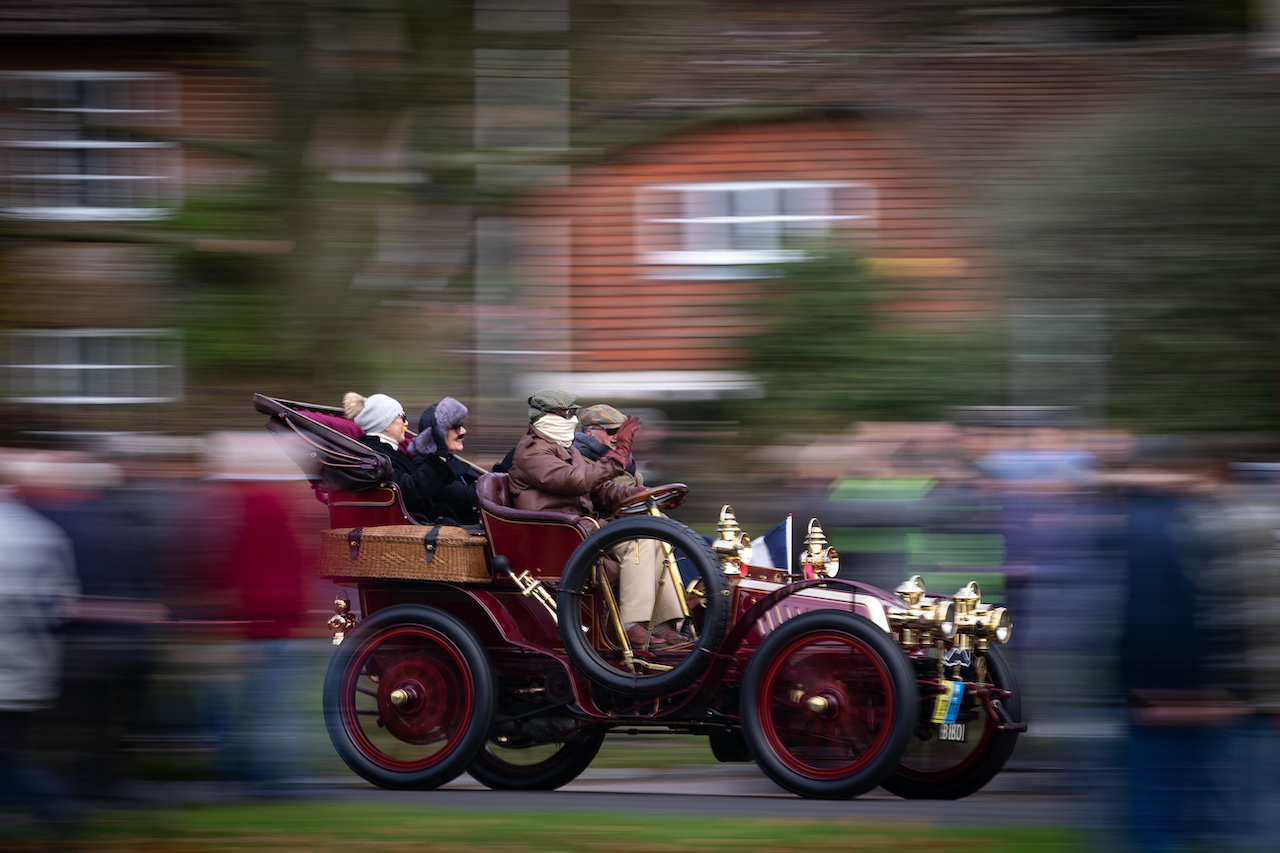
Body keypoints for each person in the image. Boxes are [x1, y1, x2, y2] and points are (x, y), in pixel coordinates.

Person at [507, 390, 685, 649]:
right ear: (547, 417)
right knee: (640, 542)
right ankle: (630, 625)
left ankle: (661, 625)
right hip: (558, 537)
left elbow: (601, 492)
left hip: (582, 531)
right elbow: (575, 481)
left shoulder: (565, 450)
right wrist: (619, 457)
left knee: (656, 535)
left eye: (573, 414)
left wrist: (642, 495)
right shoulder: (531, 452)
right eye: (566, 414)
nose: (572, 419)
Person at [0, 461, 81, 839]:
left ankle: (60, 815)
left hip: (9, 665)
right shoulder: (43, 531)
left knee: (8, 763)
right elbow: (64, 602)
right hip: (27, 667)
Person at [345, 391, 471, 524]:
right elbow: (411, 491)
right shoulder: (375, 456)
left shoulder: (385, 452)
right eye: (402, 417)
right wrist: (439, 458)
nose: (406, 423)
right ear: (387, 424)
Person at [407, 396, 482, 525]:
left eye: (462, 425)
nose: (463, 431)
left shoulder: (450, 460)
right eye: (456, 426)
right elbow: (468, 497)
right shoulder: (425, 467)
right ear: (437, 434)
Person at [573, 404, 643, 488]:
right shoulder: (577, 458)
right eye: (612, 431)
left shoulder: (628, 459)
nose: (618, 437)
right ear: (589, 432)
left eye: (622, 431)